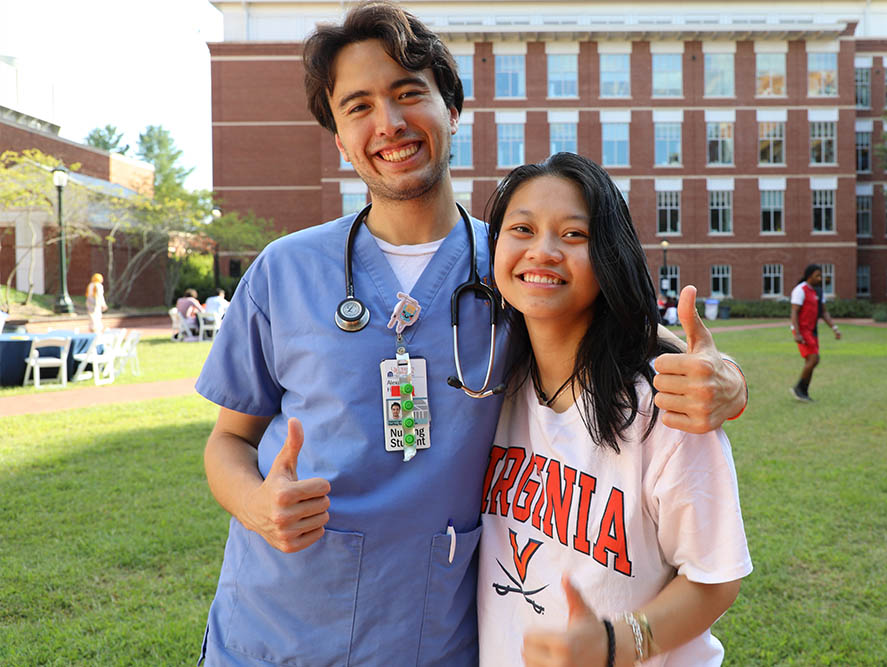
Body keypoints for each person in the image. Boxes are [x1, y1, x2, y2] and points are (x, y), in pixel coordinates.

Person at [193, 3, 748, 664]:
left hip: (430, 635)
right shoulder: (284, 271)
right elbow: (229, 439)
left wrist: (728, 379)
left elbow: (619, 325)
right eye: (359, 106)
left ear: (451, 110)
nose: (389, 124)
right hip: (273, 629)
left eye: (408, 94)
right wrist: (257, 502)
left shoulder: (513, 267)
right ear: (339, 139)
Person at [478, 153, 751, 667]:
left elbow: (715, 577)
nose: (543, 251)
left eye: (574, 236)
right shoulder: (491, 381)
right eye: (522, 228)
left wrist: (615, 644)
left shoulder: (664, 407)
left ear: (609, 257)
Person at [789, 263, 841, 402]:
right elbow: (794, 312)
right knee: (813, 359)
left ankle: (803, 391)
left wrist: (834, 328)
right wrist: (797, 333)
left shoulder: (818, 291)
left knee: (813, 360)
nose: (820, 278)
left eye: (820, 276)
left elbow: (823, 312)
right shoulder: (800, 290)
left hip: (813, 331)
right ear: (809, 275)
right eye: (817, 275)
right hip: (802, 330)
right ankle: (799, 389)